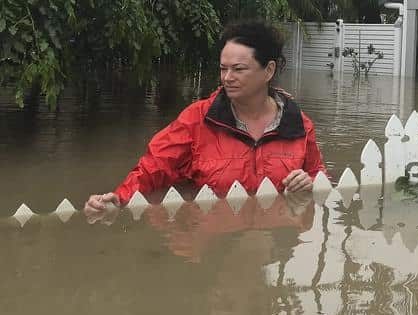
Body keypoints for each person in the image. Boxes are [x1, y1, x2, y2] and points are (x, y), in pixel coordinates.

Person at [84, 20, 326, 217]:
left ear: (269, 71)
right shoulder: (196, 120)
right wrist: (119, 200)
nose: (227, 77)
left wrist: (309, 183)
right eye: (223, 68)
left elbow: (320, 178)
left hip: (272, 249)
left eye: (239, 69)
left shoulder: (299, 126)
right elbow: (152, 169)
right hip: (212, 247)